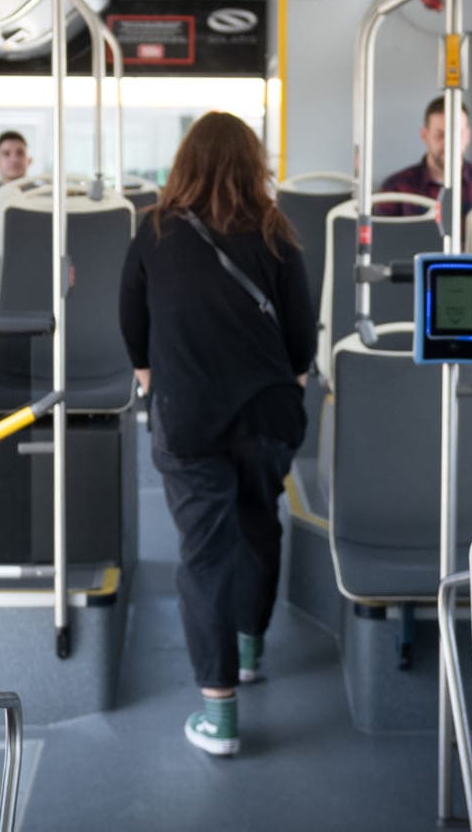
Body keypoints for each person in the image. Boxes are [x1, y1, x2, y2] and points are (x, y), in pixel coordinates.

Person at [118, 111, 316, 758]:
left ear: (186, 162)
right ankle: (251, 649)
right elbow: (301, 335)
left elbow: (131, 321)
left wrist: (156, 379)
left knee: (204, 554)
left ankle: (219, 715)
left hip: (188, 416)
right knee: (259, 522)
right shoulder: (277, 231)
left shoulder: (154, 230)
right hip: (267, 414)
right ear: (254, 165)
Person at [376, 95, 472, 216]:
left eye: (457, 134)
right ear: (425, 135)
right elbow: (383, 235)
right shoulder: (395, 188)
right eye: (440, 135)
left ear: (467, 136)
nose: (448, 143)